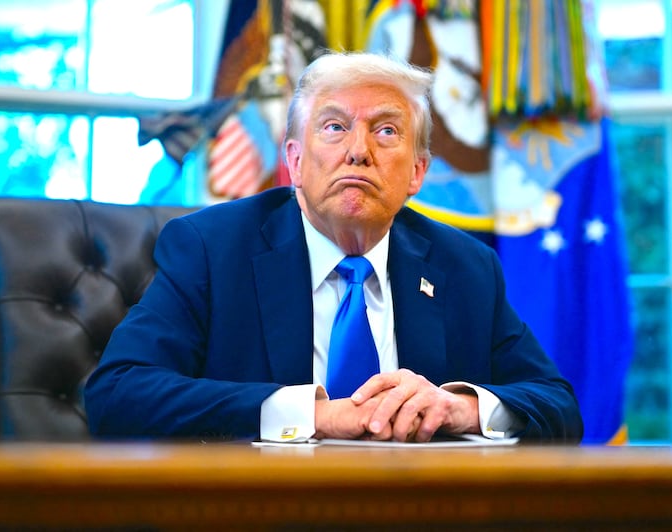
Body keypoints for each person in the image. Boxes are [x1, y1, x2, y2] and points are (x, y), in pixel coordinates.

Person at [84, 51, 583, 444]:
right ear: (295, 162)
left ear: (417, 172)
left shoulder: (464, 266)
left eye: (386, 130)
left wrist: (461, 407)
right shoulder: (213, 249)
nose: (359, 150)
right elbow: (118, 393)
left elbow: (557, 404)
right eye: (334, 126)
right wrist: (312, 415)